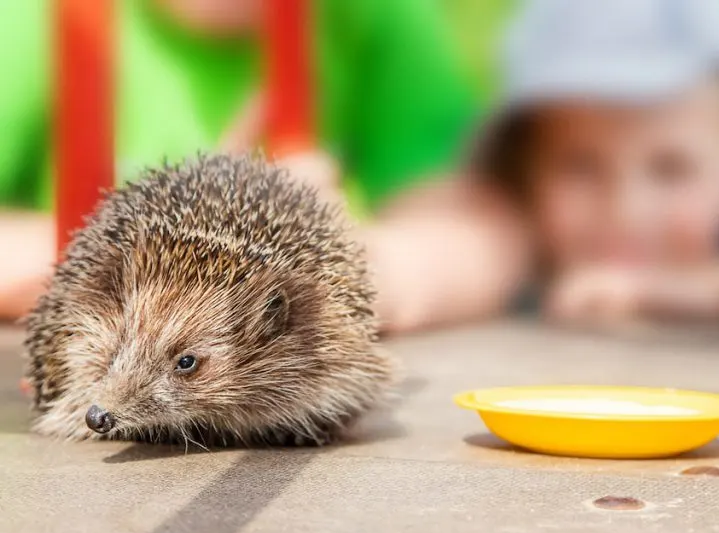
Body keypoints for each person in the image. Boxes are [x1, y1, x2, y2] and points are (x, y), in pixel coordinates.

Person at [362, 0, 719, 333]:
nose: (625, 211)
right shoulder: (521, 267)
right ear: (526, 172)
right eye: (580, 166)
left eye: (671, 168)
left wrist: (709, 286)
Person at [0, 0, 478, 320]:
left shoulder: (380, 15)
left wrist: (379, 272)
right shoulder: (33, 16)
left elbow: (482, 226)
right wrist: (134, 252)